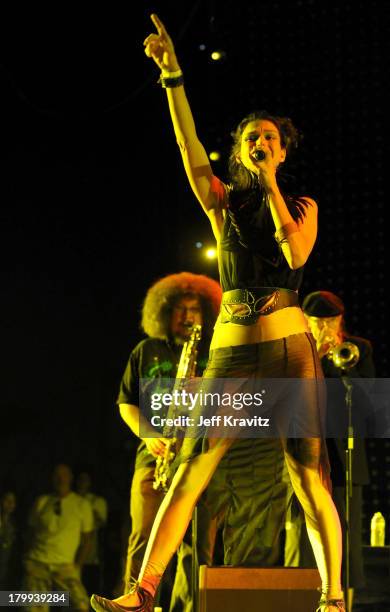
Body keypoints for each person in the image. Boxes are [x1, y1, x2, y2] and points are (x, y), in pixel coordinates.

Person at [90, 13, 345, 612]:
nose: (259, 144)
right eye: (250, 139)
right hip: (232, 349)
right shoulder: (222, 205)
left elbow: (293, 250)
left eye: (270, 140)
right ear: (237, 149)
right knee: (191, 468)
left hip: (287, 348)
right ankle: (143, 591)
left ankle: (333, 599)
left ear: (281, 150)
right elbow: (185, 146)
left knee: (307, 475)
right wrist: (173, 77)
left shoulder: (301, 203)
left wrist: (273, 184)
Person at [114, 271, 290, 612]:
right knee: (143, 536)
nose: (187, 317)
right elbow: (126, 403)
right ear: (163, 312)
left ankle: (188, 607)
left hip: (202, 455)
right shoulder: (146, 349)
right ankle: (133, 604)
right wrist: (149, 435)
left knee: (199, 545)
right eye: (180, 309)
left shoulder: (216, 350)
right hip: (155, 457)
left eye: (194, 309)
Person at [284, 290, 375, 611]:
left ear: (341, 319)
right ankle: (299, 601)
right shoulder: (297, 349)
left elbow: (368, 404)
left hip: (344, 454)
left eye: (331, 320)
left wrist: (339, 363)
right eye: (318, 321)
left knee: (346, 539)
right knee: (302, 533)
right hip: (303, 451)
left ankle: (341, 604)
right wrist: (316, 358)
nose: (325, 326)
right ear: (306, 320)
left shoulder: (358, 349)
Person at [23, 463, 93, 612]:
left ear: (70, 478)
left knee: (80, 605)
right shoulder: (42, 501)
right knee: (35, 608)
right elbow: (30, 533)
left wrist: (77, 567)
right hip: (38, 564)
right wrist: (28, 561)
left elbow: (87, 541)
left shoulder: (82, 504)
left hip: (65, 566)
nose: (61, 479)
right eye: (57, 475)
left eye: (64, 475)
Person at [75, 468, 108, 595]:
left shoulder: (97, 502)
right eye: (80, 479)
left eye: (86, 479)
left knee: (88, 591)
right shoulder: (71, 500)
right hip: (69, 555)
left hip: (91, 556)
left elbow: (100, 523)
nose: (82, 482)